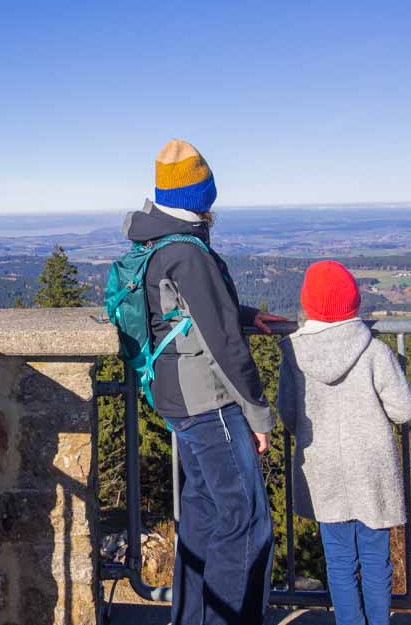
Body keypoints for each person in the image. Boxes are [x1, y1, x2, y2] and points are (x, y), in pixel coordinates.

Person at [123, 139, 287, 625]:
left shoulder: (155, 242)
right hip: (208, 401)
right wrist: (259, 414)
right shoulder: (189, 253)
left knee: (202, 513)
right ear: (203, 195)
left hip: (175, 397)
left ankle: (189, 618)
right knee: (246, 523)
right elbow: (225, 347)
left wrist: (246, 314)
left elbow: (191, 312)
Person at [277, 261, 411, 625]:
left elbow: (289, 415)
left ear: (308, 304)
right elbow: (403, 410)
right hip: (371, 467)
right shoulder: (375, 352)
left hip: (323, 468)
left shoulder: (293, 353)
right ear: (354, 303)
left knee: (339, 562)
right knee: (375, 559)